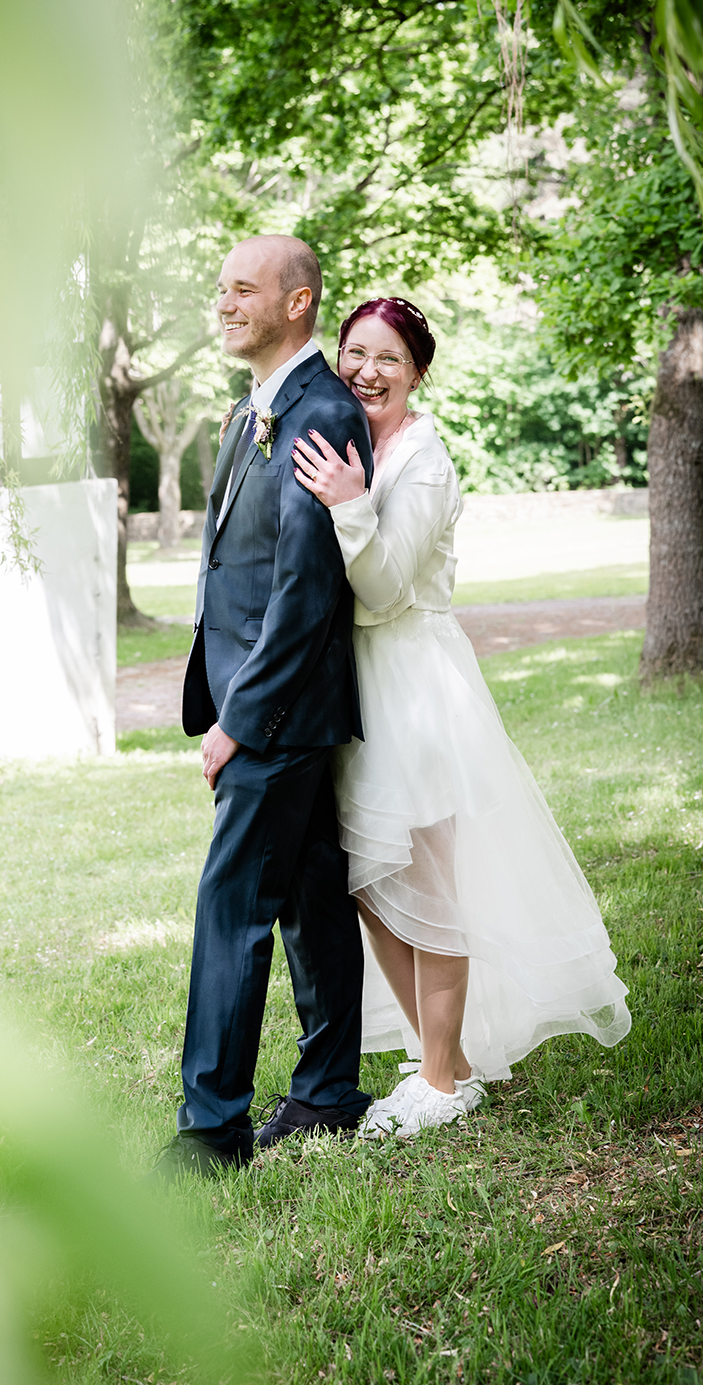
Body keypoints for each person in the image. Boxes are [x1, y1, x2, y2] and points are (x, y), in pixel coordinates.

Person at [292, 296, 631, 1135]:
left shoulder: (423, 461)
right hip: (355, 689)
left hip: (413, 687)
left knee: (427, 885)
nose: (367, 372)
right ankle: (435, 1055)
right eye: (355, 354)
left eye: (388, 361)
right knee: (371, 884)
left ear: (416, 374)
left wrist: (345, 503)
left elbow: (384, 588)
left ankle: (446, 1083)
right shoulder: (348, 444)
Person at [153, 235, 375, 1178]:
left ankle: (212, 1130)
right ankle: (326, 1092)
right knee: (312, 898)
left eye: (242, 289)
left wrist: (238, 720)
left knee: (231, 905)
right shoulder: (261, 408)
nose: (224, 302)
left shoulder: (321, 410)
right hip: (284, 705)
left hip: (275, 711)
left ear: (297, 302)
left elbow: (304, 590)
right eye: (220, 289)